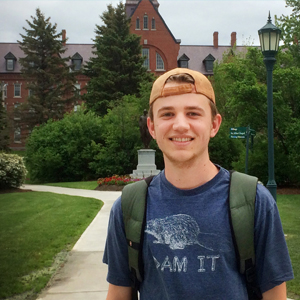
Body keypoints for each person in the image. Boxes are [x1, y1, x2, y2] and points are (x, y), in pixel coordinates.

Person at [103, 68, 294, 300]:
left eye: (193, 113)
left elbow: (275, 295)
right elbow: (119, 294)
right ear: (152, 127)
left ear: (214, 124)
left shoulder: (253, 201)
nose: (181, 125)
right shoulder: (129, 206)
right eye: (167, 114)